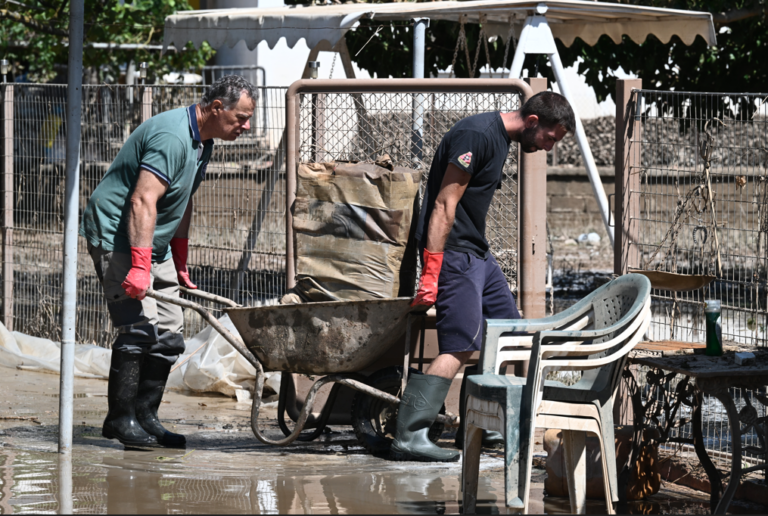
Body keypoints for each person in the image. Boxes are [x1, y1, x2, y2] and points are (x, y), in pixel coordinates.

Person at [390, 91, 576, 462]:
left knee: (506, 330)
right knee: (459, 345)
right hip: (455, 252)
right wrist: (432, 270)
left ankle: (480, 426)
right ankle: (409, 436)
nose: (549, 148)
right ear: (534, 122)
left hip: (477, 250)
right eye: (550, 139)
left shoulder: (501, 139)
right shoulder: (476, 136)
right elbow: (444, 204)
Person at [80, 75, 256, 449]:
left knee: (170, 335)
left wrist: (179, 259)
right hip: (119, 232)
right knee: (138, 328)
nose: (247, 126)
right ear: (216, 108)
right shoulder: (173, 137)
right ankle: (119, 419)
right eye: (241, 117)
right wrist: (140, 267)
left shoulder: (203, 141)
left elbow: (182, 199)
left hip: (151, 238)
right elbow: (142, 200)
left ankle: (145, 416)